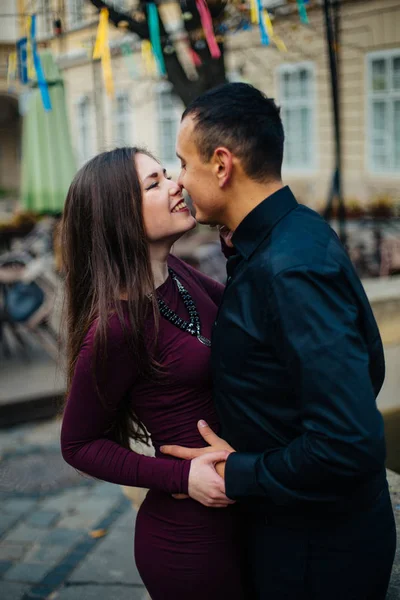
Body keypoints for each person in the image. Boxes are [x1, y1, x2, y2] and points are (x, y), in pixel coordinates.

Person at [162, 83, 397, 599]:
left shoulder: (290, 268)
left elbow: (350, 443)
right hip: (298, 531)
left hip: (318, 553)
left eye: (182, 162)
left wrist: (241, 470)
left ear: (222, 165)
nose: (179, 179)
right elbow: (366, 367)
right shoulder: (290, 233)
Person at [60, 147, 247, 600]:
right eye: (155, 183)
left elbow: (244, 316)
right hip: (191, 542)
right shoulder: (116, 328)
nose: (177, 185)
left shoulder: (177, 273)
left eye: (168, 174)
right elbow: (77, 445)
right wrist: (180, 478)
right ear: (118, 216)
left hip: (243, 515)